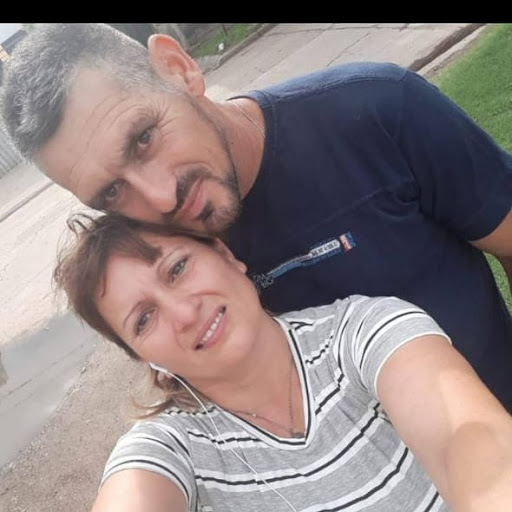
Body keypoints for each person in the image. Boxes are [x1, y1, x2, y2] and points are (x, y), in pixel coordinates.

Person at [1, 24, 512, 412]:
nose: (160, 198)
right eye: (111, 191)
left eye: (144, 138)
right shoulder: (161, 266)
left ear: (178, 68)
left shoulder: (378, 110)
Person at [53, 212, 512, 512]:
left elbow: (467, 440)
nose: (185, 313)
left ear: (225, 255)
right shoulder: (173, 447)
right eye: (144, 319)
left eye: (177, 268)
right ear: (146, 359)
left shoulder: (360, 331)